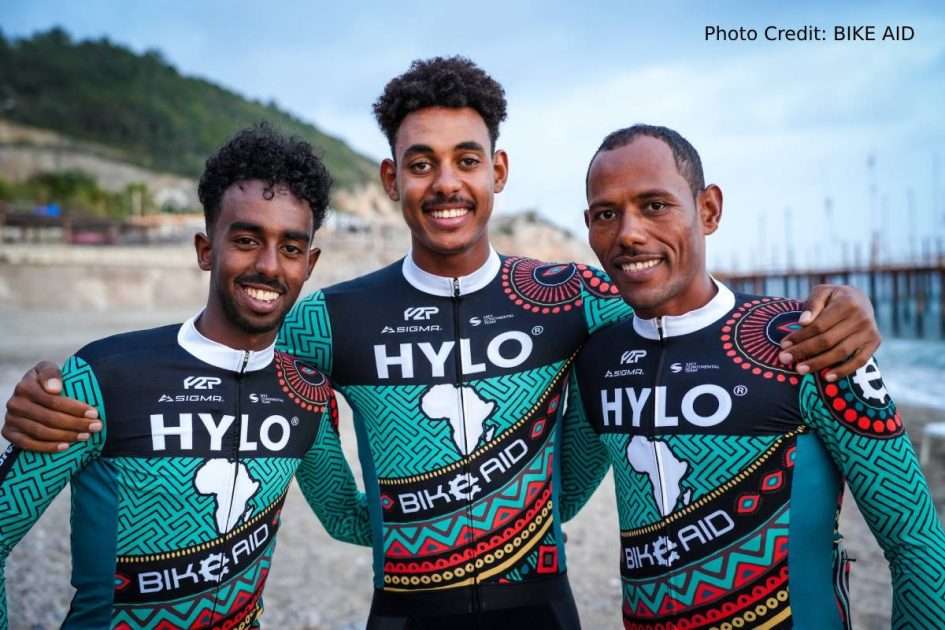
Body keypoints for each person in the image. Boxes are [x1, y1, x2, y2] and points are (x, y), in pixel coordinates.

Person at [4, 58, 881, 629]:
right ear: (391, 180)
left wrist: (837, 311)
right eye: (420, 161)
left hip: (542, 608)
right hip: (401, 613)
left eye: (466, 157)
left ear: (496, 172)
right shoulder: (329, 314)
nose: (444, 180)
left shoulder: (576, 298)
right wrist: (59, 389)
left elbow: (688, 319)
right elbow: (241, 368)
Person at [571, 124, 945, 629]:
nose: (629, 232)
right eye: (606, 214)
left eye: (655, 205)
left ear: (709, 210)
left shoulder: (809, 341)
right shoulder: (599, 357)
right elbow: (557, 497)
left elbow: (915, 542)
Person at [0, 124, 371, 628]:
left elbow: (348, 517)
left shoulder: (304, 394)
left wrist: (512, 495)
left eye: (290, 248)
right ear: (205, 249)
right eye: (246, 239)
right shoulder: (103, 379)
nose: (268, 265)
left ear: (309, 264)